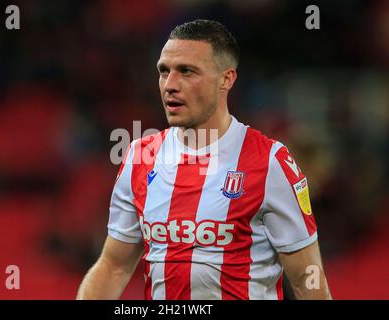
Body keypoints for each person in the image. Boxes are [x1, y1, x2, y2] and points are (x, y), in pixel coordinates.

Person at [77, 19, 332, 300]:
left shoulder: (270, 162)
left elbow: (306, 279)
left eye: (186, 71)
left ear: (227, 79)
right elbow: (113, 267)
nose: (170, 85)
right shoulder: (140, 157)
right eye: (164, 71)